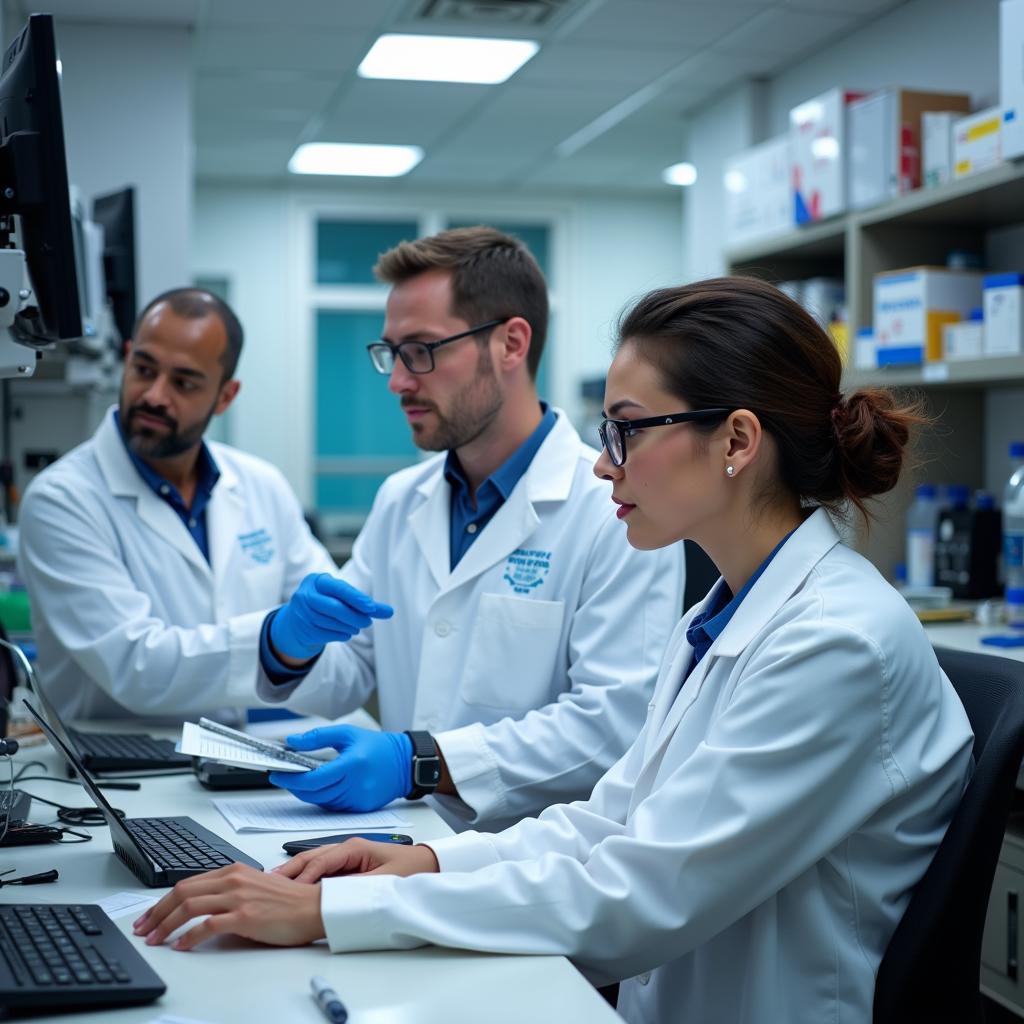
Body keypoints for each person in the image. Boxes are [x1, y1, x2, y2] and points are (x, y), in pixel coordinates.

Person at [136, 277, 974, 1024]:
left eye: (628, 432)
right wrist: (418, 861)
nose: (605, 466)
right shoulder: (726, 614)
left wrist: (332, 915)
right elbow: (608, 821)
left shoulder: (836, 643)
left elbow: (640, 894)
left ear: (738, 441)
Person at [255, 226, 682, 830]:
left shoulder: (615, 511)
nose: (398, 381)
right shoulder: (403, 500)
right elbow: (350, 671)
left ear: (511, 343)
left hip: (529, 872)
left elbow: (609, 727)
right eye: (390, 353)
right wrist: (289, 646)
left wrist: (420, 762)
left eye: (422, 351)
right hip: (396, 841)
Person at [17, 288, 342, 721]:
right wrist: (272, 640)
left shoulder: (262, 485)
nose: (154, 395)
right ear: (128, 357)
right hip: (115, 770)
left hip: (240, 755)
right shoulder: (61, 500)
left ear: (226, 396)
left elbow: (330, 630)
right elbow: (135, 665)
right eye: (144, 369)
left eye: (183, 382)